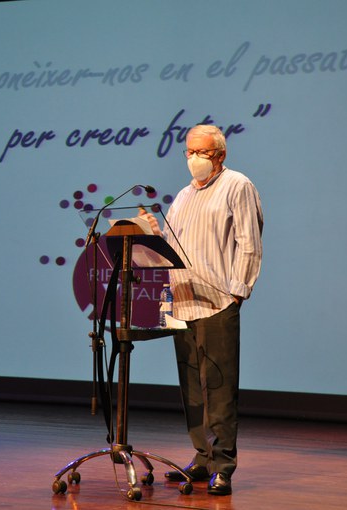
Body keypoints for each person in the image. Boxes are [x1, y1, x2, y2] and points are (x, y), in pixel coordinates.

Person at [140, 124, 263, 496]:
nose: (194, 159)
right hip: (183, 301)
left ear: (220, 155)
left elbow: (249, 242)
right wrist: (152, 233)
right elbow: (174, 249)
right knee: (192, 389)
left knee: (219, 388)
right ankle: (202, 457)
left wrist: (238, 292)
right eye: (189, 152)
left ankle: (223, 465)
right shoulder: (183, 195)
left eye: (202, 152)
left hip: (217, 301)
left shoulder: (237, 186)